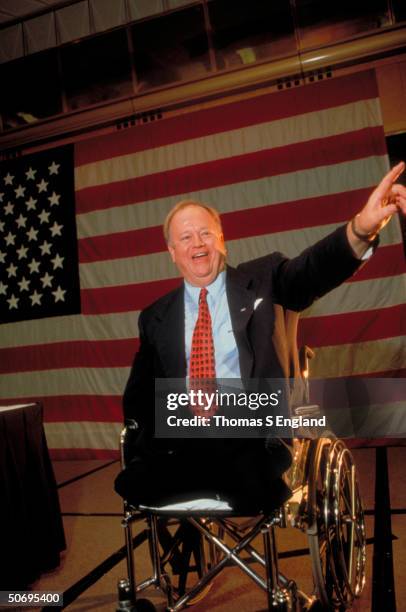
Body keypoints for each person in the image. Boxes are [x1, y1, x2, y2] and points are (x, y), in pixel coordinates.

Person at [115, 162, 406, 514]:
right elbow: (139, 398)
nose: (198, 244)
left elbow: (312, 270)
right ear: (172, 252)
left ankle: (230, 480)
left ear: (221, 239)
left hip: (252, 436)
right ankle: (200, 477)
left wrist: (360, 229)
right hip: (184, 444)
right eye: (185, 237)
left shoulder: (265, 279)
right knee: (134, 479)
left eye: (205, 233)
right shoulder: (155, 317)